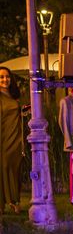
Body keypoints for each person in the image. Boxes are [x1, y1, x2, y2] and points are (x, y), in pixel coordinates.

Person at [0, 67, 23, 214]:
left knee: (15, 167)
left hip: (15, 137)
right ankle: (4, 202)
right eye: (1, 77)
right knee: (4, 166)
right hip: (3, 137)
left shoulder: (14, 95)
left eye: (7, 77)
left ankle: (15, 199)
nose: (4, 80)